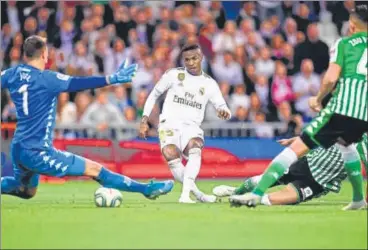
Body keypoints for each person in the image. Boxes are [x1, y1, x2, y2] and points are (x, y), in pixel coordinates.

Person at [1, 35, 174, 201]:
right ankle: (146, 189)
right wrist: (111, 79)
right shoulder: (48, 78)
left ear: (25, 54)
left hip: (18, 147)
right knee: (95, 169)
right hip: (37, 151)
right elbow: (80, 82)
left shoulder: (12, 73)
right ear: (44, 54)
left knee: (26, 191)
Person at [229, 4, 368, 210]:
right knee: (348, 147)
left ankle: (257, 195)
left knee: (294, 150)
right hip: (363, 113)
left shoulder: (345, 44)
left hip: (343, 109)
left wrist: (319, 98)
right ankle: (358, 199)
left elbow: (330, 78)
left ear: (352, 27)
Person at [139, 43, 231, 203]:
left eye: (194, 58)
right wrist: (144, 119)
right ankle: (199, 195)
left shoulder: (209, 83)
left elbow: (222, 106)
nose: (191, 63)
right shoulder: (173, 75)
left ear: (201, 58)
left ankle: (185, 195)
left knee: (195, 146)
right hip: (169, 123)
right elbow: (153, 95)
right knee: (170, 154)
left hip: (192, 126)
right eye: (187, 60)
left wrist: (225, 112)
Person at [216, 136, 367, 207]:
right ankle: (235, 191)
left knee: (273, 200)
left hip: (318, 182)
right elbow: (320, 134)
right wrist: (296, 140)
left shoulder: (364, 141)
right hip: (306, 164)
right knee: (258, 181)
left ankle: (248, 199)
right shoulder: (347, 125)